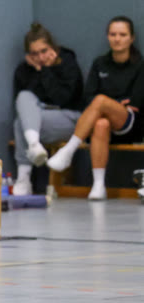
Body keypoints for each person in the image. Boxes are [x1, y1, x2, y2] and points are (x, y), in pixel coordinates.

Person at [46, 16, 144, 199]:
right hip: (103, 122)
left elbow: (136, 102)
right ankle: (98, 186)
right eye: (113, 34)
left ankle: (69, 150)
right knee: (100, 123)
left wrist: (109, 104)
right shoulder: (100, 63)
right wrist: (113, 103)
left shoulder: (140, 65)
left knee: (100, 101)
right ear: (107, 36)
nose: (117, 39)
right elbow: (88, 96)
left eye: (122, 35)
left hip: (131, 125)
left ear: (131, 38)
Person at [11, 22, 84, 196]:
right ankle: (34, 146)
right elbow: (22, 104)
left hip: (70, 119)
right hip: (39, 121)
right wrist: (37, 71)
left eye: (43, 51)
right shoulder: (24, 70)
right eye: (34, 54)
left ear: (53, 47)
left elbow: (62, 99)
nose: (40, 57)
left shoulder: (67, 62)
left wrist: (46, 71)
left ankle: (23, 178)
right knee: (24, 99)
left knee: (20, 124)